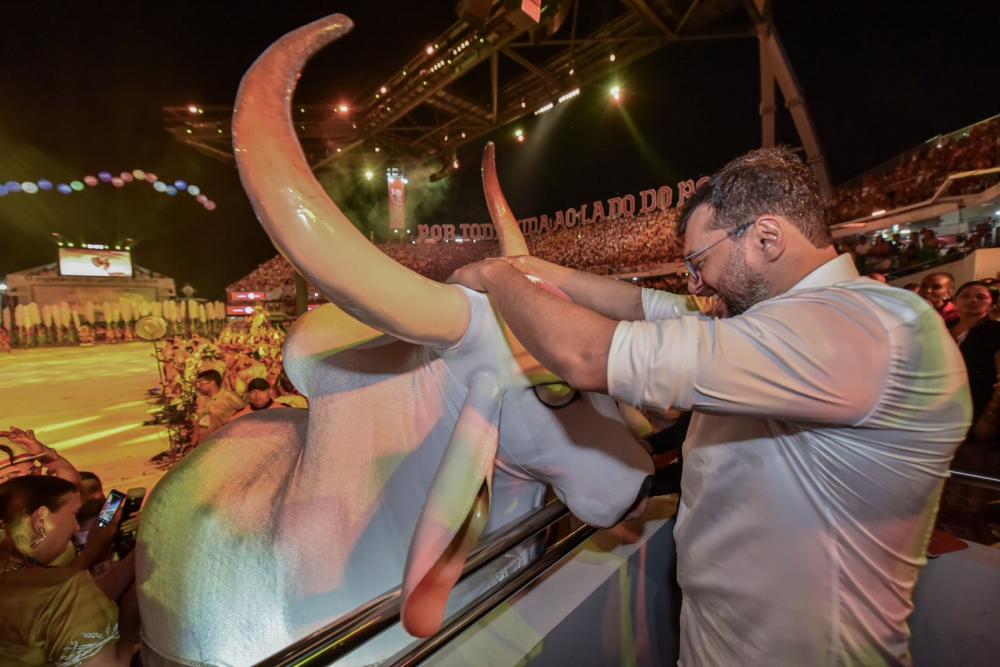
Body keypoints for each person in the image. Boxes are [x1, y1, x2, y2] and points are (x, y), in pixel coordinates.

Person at [449, 147, 970, 664]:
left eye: (699, 262)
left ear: (767, 238)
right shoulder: (782, 319)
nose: (693, 284)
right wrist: (528, 267)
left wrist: (497, 278)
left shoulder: (866, 329)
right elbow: (641, 305)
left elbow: (588, 355)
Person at [0, 475, 140, 665]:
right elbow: (67, 598)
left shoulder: (15, 576)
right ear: (41, 520)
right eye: (74, 514)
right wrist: (130, 621)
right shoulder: (68, 587)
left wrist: (135, 556)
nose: (75, 526)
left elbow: (79, 599)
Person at [949, 281, 1000, 441]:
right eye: (965, 296)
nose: (972, 300)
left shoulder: (995, 331)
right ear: (954, 302)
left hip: (978, 405)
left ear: (991, 303)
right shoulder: (942, 327)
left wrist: (990, 416)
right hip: (941, 405)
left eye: (981, 297)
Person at [192, 369, 245, 445]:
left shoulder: (229, 397)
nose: (198, 385)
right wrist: (193, 443)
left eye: (200, 382)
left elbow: (247, 413)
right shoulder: (201, 399)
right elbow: (199, 424)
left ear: (212, 382)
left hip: (223, 444)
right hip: (204, 444)